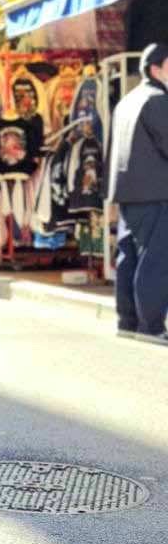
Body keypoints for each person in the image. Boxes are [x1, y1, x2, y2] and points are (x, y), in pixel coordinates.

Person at [108, 41, 168, 346]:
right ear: (156, 69)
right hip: (157, 193)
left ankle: (128, 321)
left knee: (129, 258)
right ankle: (150, 326)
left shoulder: (127, 101)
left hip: (128, 195)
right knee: (155, 261)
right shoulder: (158, 100)